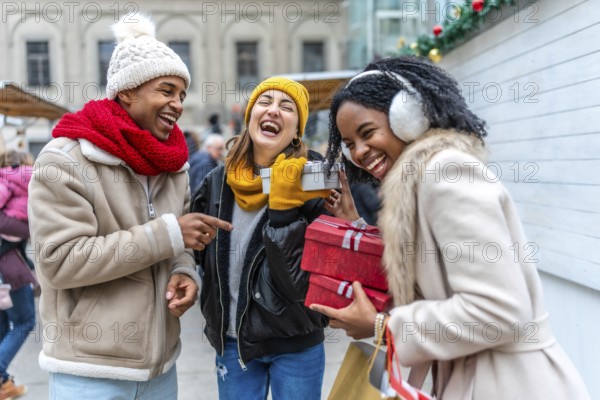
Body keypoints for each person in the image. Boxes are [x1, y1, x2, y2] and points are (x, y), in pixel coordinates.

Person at [312, 57, 590, 399]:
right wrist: (353, 228)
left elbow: (499, 311)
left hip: (511, 384)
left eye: (367, 133)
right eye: (350, 143)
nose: (359, 152)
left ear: (408, 117)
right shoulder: (419, 183)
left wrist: (383, 328)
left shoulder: (445, 174)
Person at [28, 14, 231, 400]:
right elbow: (58, 262)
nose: (177, 104)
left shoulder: (174, 166)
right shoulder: (65, 160)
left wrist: (186, 272)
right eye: (166, 90)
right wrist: (169, 234)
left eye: (182, 95)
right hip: (88, 373)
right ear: (127, 92)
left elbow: (180, 249)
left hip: (161, 370)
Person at [190, 77, 330, 400]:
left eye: (287, 107)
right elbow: (197, 252)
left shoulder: (312, 179)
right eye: (265, 103)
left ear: (297, 130)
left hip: (297, 343)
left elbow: (304, 284)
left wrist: (284, 213)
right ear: (251, 115)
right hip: (232, 343)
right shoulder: (216, 182)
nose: (274, 111)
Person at [0, 150, 36, 400]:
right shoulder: (26, 184)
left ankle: (3, 384)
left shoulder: (6, 184)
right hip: (9, 266)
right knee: (25, 320)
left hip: (7, 263)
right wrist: (28, 227)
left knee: (3, 324)